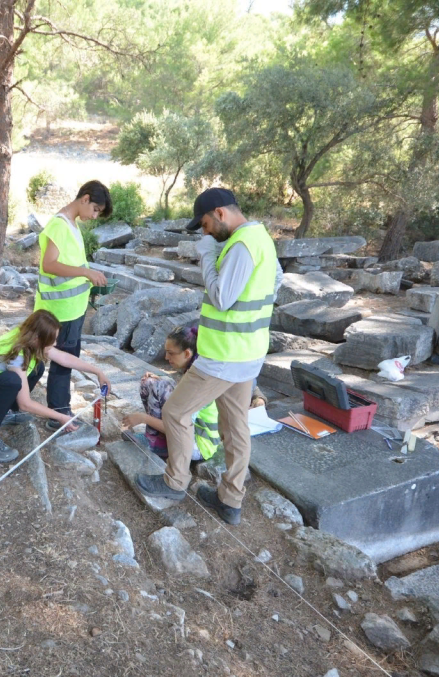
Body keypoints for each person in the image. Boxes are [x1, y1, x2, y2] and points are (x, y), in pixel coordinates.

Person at [135, 188, 282, 525]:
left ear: (220, 213)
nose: (205, 233)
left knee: (175, 412)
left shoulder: (241, 245)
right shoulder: (261, 238)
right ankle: (230, 500)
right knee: (235, 426)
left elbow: (221, 298)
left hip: (223, 355)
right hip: (248, 351)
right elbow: (276, 280)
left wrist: (205, 256)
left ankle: (174, 483)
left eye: (204, 225)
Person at [0, 310, 113, 462]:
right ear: (37, 339)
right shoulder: (17, 356)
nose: (55, 343)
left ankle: (4, 414)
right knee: (11, 380)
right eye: (52, 340)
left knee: (38, 367)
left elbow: (63, 358)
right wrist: (61, 417)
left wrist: (97, 371)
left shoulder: (26, 338)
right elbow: (25, 404)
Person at [122, 325, 267, 462]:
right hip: (187, 431)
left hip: (197, 445)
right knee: (151, 383)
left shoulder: (200, 383)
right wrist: (160, 381)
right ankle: (157, 438)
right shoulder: (195, 369)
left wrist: (143, 418)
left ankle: (159, 445)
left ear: (187, 353)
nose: (166, 357)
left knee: (160, 388)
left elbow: (179, 426)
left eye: (171, 353)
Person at [34, 180, 112, 429]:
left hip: (72, 308)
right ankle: (58, 415)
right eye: (96, 209)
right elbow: (50, 265)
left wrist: (90, 275)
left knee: (63, 358)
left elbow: (71, 265)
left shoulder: (72, 224)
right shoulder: (59, 225)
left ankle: (55, 410)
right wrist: (85, 273)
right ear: (85, 198)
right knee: (60, 361)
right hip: (60, 311)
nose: (95, 215)